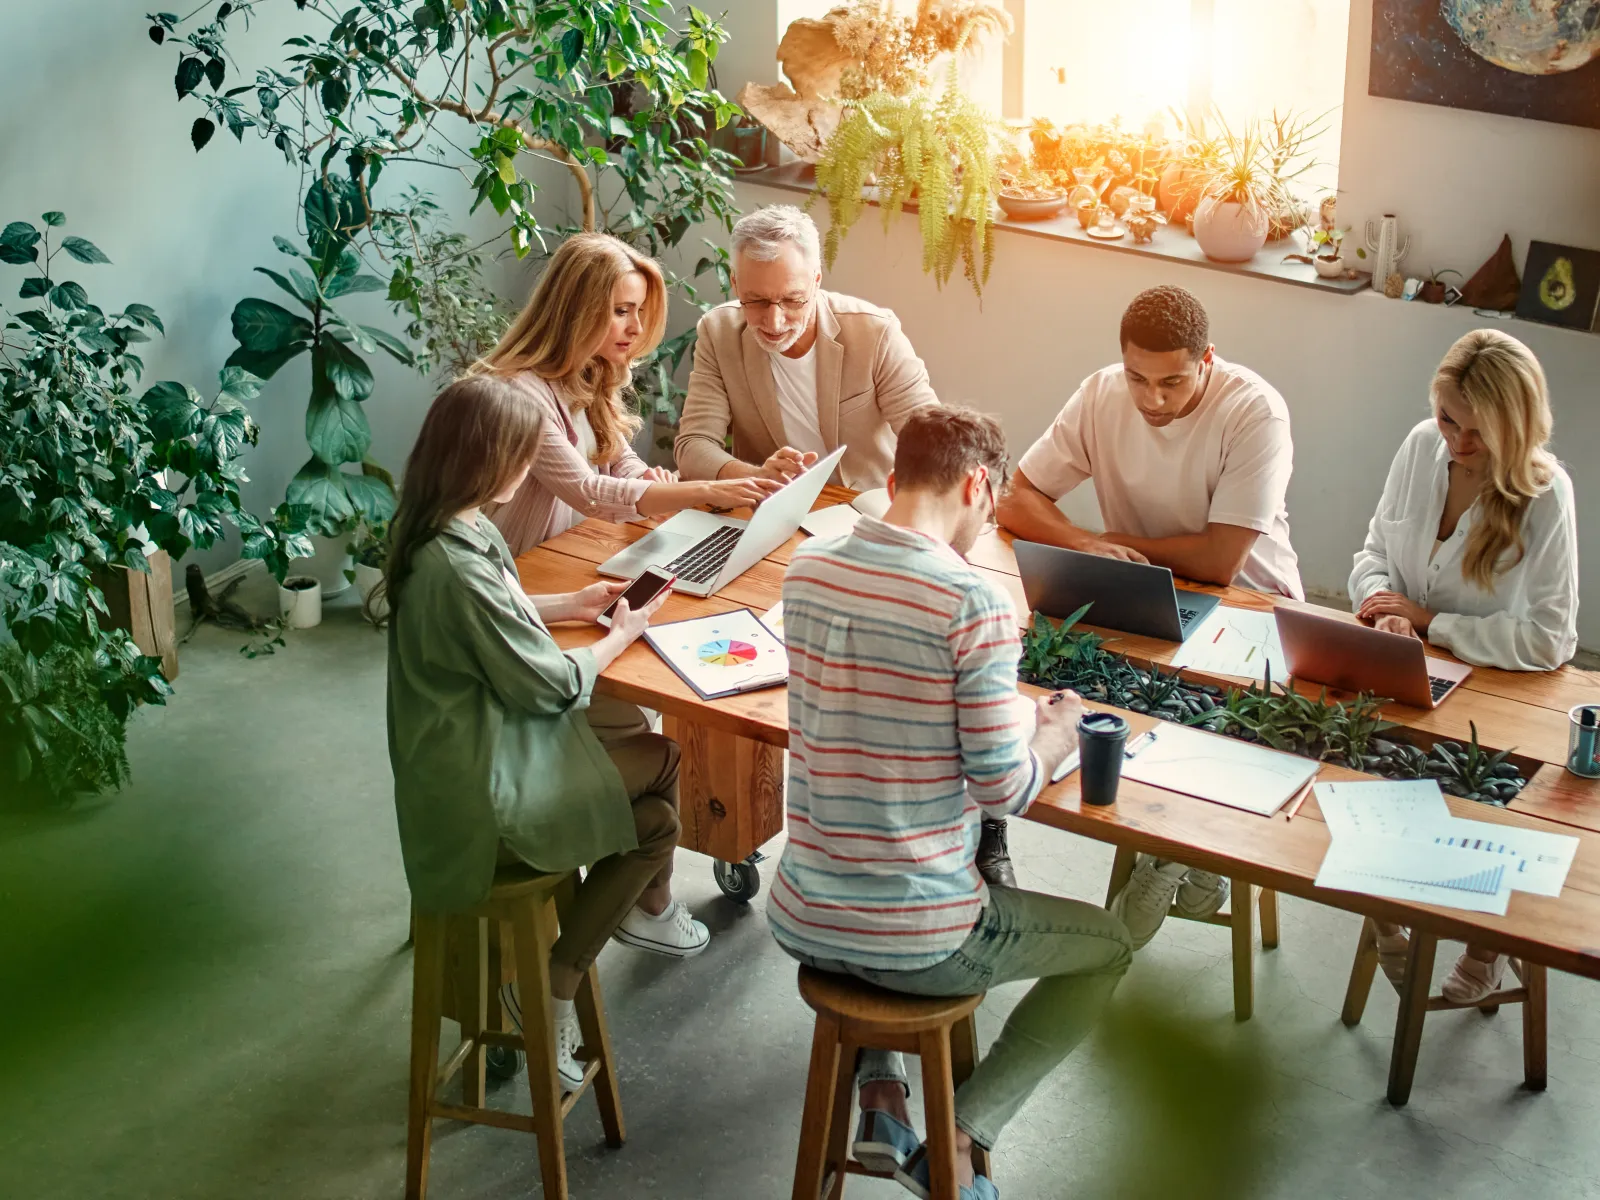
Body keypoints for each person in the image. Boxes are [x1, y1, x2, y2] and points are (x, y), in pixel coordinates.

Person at [771, 406, 1132, 1200]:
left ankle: (883, 1101)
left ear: (897, 479)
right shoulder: (972, 601)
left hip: (803, 914)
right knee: (1109, 948)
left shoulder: (808, 570)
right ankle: (961, 1143)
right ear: (977, 485)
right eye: (992, 506)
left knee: (885, 851)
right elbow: (1005, 787)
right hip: (916, 938)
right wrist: (1057, 736)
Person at [383, 376, 710, 1094]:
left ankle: (553, 983)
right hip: (480, 799)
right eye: (522, 458)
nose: (529, 472)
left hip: (471, 762)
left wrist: (571, 601)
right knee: (662, 761)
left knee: (655, 821)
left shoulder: (441, 529)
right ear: (490, 461)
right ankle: (568, 974)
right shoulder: (457, 560)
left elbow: (493, 611)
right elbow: (553, 685)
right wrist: (619, 634)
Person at [995, 284, 1304, 941]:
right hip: (1135, 601)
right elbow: (1016, 498)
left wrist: (1116, 554)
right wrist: (1087, 545)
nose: (1151, 400)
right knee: (1021, 689)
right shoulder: (1102, 393)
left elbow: (1221, 560)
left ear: (1208, 360)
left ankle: (1173, 859)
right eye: (1138, 377)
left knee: (1195, 725)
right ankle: (1178, 858)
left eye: (1172, 382)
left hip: (1252, 613)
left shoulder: (1255, 412)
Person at [1351, 329, 1579, 1002]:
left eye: (1479, 431)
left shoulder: (1545, 494)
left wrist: (1431, 623)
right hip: (1405, 673)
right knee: (1346, 767)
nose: (1457, 440)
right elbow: (1373, 551)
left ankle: (1487, 945)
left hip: (1497, 698)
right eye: (1449, 417)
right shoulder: (1422, 445)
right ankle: (1389, 913)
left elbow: (1550, 640)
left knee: (1480, 802)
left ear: (1517, 426)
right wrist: (1379, 606)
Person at [484, 231, 780, 558]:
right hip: (529, 565)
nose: (637, 328)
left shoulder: (591, 371)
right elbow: (589, 492)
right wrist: (706, 490)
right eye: (622, 311)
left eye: (638, 310)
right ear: (576, 311)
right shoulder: (520, 394)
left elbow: (620, 459)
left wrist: (649, 481)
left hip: (585, 547)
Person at [673, 204, 941, 490]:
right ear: (735, 283)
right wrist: (755, 476)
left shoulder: (875, 333)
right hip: (771, 507)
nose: (774, 323)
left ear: (816, 281)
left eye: (792, 300)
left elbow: (934, 439)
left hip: (861, 506)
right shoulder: (719, 333)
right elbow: (693, 445)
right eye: (757, 301)